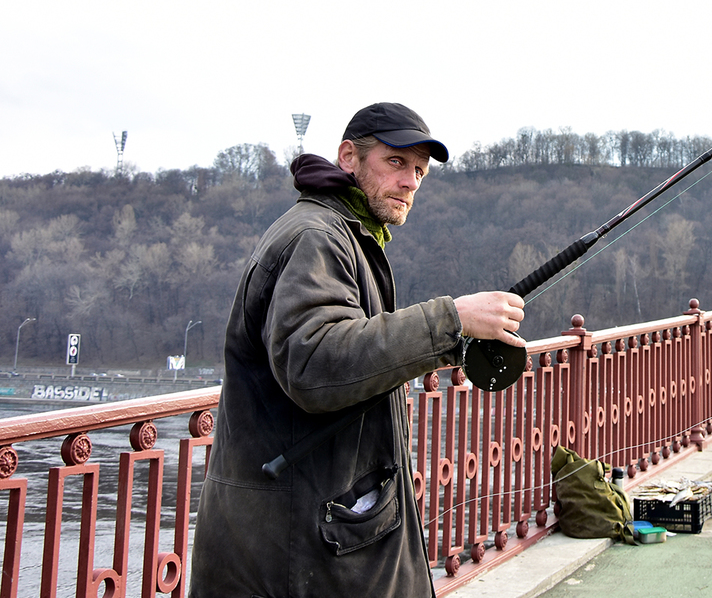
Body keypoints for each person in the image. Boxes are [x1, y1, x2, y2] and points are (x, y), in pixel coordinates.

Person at [189, 103, 527, 598]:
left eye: (419, 171)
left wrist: (453, 340)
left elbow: (352, 346)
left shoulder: (345, 233)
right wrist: (449, 319)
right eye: (395, 162)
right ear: (349, 157)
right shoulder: (316, 237)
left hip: (316, 536)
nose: (411, 181)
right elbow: (316, 363)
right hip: (296, 551)